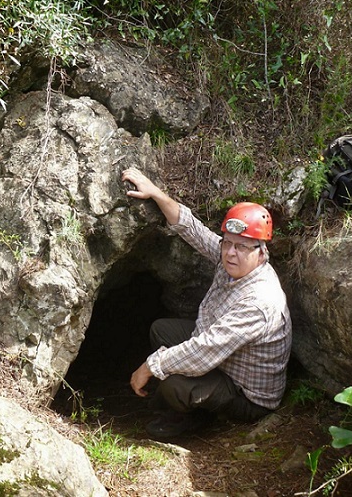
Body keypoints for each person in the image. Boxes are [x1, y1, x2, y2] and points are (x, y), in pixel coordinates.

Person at [121, 167, 292, 439]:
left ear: (262, 253)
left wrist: (150, 367)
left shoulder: (260, 302)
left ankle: (190, 417)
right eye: (228, 243)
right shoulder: (233, 261)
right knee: (161, 330)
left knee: (173, 385)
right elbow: (194, 231)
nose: (231, 252)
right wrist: (155, 193)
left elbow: (205, 349)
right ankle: (189, 400)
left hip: (245, 392)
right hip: (225, 359)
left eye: (242, 246)